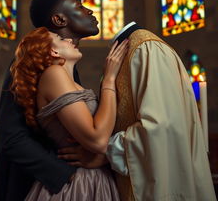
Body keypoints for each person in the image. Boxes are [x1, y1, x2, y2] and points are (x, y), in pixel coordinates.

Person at [58, 21, 217, 201]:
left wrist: (107, 152)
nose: (89, 11)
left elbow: (159, 126)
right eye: (79, 4)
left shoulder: (147, 48)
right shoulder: (126, 51)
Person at [0, 0, 106, 201]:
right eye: (80, 6)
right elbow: (12, 137)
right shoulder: (28, 63)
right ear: (59, 19)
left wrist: (100, 157)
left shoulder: (69, 65)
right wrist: (66, 174)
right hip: (42, 187)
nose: (90, 11)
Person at [9, 27, 128, 200]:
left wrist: (104, 158)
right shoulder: (53, 74)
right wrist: (109, 78)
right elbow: (98, 139)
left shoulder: (72, 84)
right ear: (53, 51)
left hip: (97, 179)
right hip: (77, 185)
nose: (70, 40)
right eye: (60, 39)